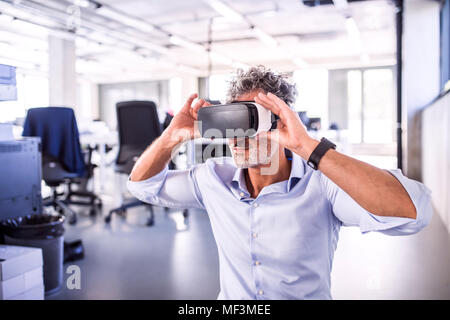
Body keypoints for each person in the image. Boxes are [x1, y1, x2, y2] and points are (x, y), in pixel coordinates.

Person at [127, 66, 432, 299]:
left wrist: (309, 147)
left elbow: (412, 213)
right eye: (232, 123)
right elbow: (142, 186)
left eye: (249, 123)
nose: (236, 137)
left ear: (281, 122)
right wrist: (171, 136)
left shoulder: (321, 184)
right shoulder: (212, 178)